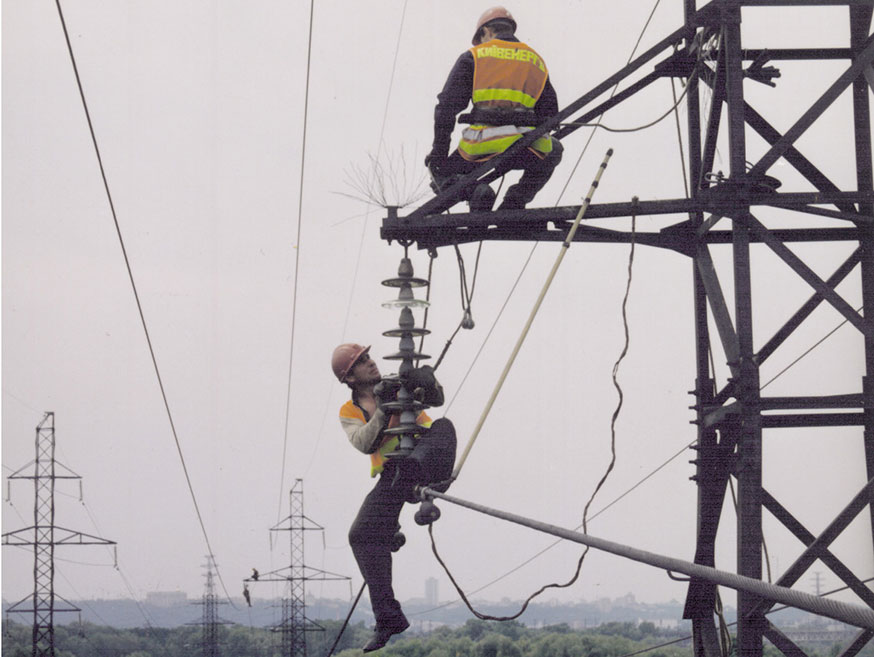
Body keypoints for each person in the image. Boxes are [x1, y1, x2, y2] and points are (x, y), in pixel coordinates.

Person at [332, 343, 456, 653]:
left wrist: (425, 381)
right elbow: (364, 442)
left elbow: (436, 400)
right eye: (361, 362)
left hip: (426, 460)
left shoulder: (397, 384)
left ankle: (393, 520)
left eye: (368, 357)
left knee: (444, 427)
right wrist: (384, 408)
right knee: (361, 535)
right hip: (394, 474)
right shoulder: (350, 411)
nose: (370, 363)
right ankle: (388, 618)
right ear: (349, 378)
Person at [426, 6, 563, 211]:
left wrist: (439, 155)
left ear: (486, 32)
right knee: (555, 149)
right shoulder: (536, 61)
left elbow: (445, 109)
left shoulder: (474, 56)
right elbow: (551, 115)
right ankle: (515, 201)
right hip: (528, 148)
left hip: (480, 147)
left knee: (436, 166)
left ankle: (475, 192)